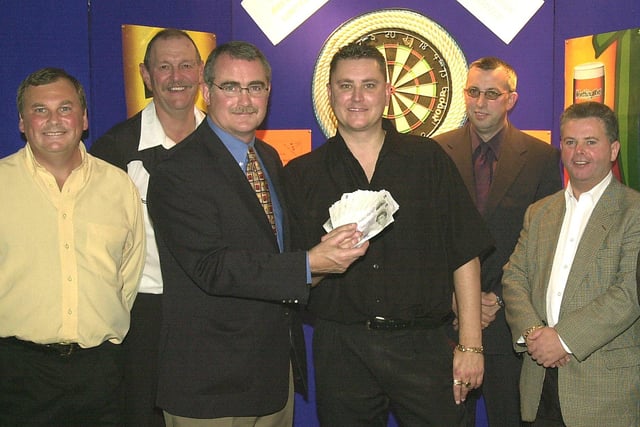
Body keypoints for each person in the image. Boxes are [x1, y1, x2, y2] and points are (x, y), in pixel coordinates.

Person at [146, 40, 368, 426]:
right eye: (230, 87)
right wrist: (308, 264)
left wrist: (322, 260)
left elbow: (277, 256)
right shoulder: (176, 171)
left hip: (272, 377)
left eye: (256, 87)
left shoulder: (266, 158)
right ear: (206, 92)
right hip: (211, 385)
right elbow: (212, 268)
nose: (245, 99)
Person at [283, 42, 494, 426]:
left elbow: (464, 253)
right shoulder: (301, 174)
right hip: (341, 349)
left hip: (424, 346)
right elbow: (293, 273)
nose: (357, 97)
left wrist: (470, 344)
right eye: (346, 86)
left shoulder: (428, 159)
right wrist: (320, 262)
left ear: (386, 91)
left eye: (369, 85)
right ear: (329, 93)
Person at [0, 67, 145, 426]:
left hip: (100, 375)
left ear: (83, 119)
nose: (53, 120)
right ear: (22, 122)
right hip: (15, 373)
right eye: (39, 110)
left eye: (65, 108)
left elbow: (128, 275)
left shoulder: (119, 186)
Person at [434, 56, 562, 426]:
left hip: (510, 329)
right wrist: (457, 299)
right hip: (448, 325)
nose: (480, 102)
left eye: (492, 93)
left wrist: (499, 300)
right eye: (474, 92)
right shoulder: (436, 153)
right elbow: (425, 240)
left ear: (511, 99)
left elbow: (545, 247)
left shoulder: (542, 158)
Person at [90, 28, 204, 427]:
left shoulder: (226, 143)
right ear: (145, 74)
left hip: (213, 311)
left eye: (186, 65)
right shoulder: (114, 150)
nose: (177, 76)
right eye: (164, 66)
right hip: (145, 314)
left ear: (201, 71)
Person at [503, 101, 640, 426]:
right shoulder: (539, 212)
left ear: (613, 149)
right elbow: (513, 277)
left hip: (604, 393)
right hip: (539, 385)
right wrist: (536, 334)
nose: (579, 151)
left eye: (591, 142)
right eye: (570, 142)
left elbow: (629, 293)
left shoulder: (633, 211)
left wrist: (562, 338)